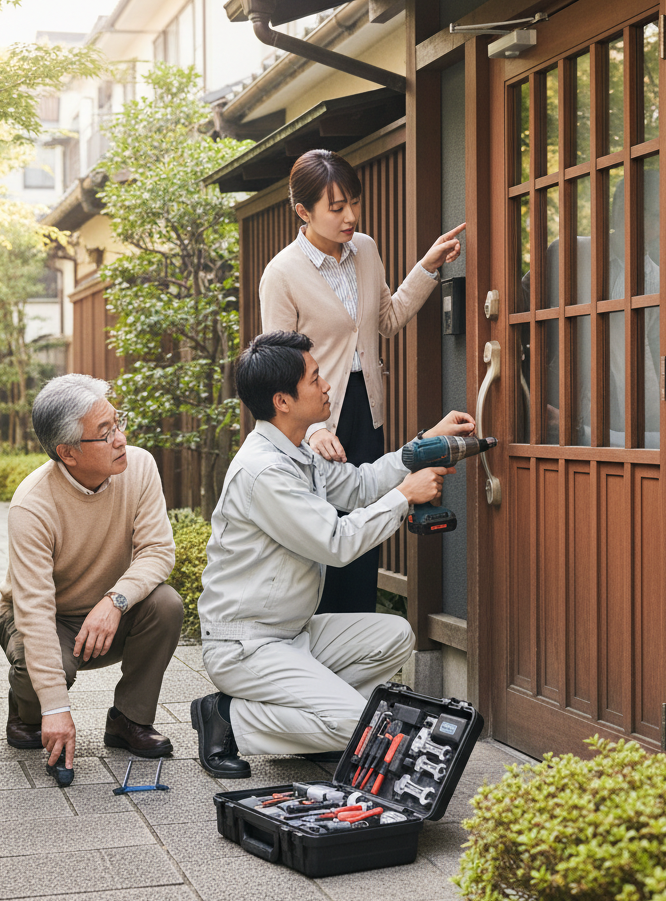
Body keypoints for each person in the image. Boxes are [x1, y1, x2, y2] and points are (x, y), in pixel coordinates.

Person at [189, 331, 475, 778]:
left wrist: (422, 446)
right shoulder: (264, 471)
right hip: (246, 644)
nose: (327, 386)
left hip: (291, 633)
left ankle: (315, 725)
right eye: (316, 378)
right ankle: (227, 717)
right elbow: (336, 543)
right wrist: (404, 496)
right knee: (358, 726)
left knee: (395, 635)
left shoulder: (298, 451)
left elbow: (359, 486)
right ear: (282, 401)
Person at [259, 148, 470, 614]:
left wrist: (428, 267)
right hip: (315, 421)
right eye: (336, 208)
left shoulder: (366, 250)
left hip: (366, 407)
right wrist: (312, 430)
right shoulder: (282, 274)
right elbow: (277, 363)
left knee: (367, 529)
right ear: (303, 212)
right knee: (325, 540)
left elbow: (388, 320)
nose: (350, 216)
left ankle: (356, 642)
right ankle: (316, 653)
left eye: (353, 202)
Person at [0, 374, 183, 785]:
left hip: (108, 612)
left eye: (117, 423)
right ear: (68, 452)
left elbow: (158, 551)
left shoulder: (140, 466)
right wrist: (55, 710)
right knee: (42, 666)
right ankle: (25, 709)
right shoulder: (32, 506)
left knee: (166, 604)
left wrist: (115, 601)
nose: (121, 438)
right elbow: (35, 612)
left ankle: (128, 719)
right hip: (47, 620)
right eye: (105, 433)